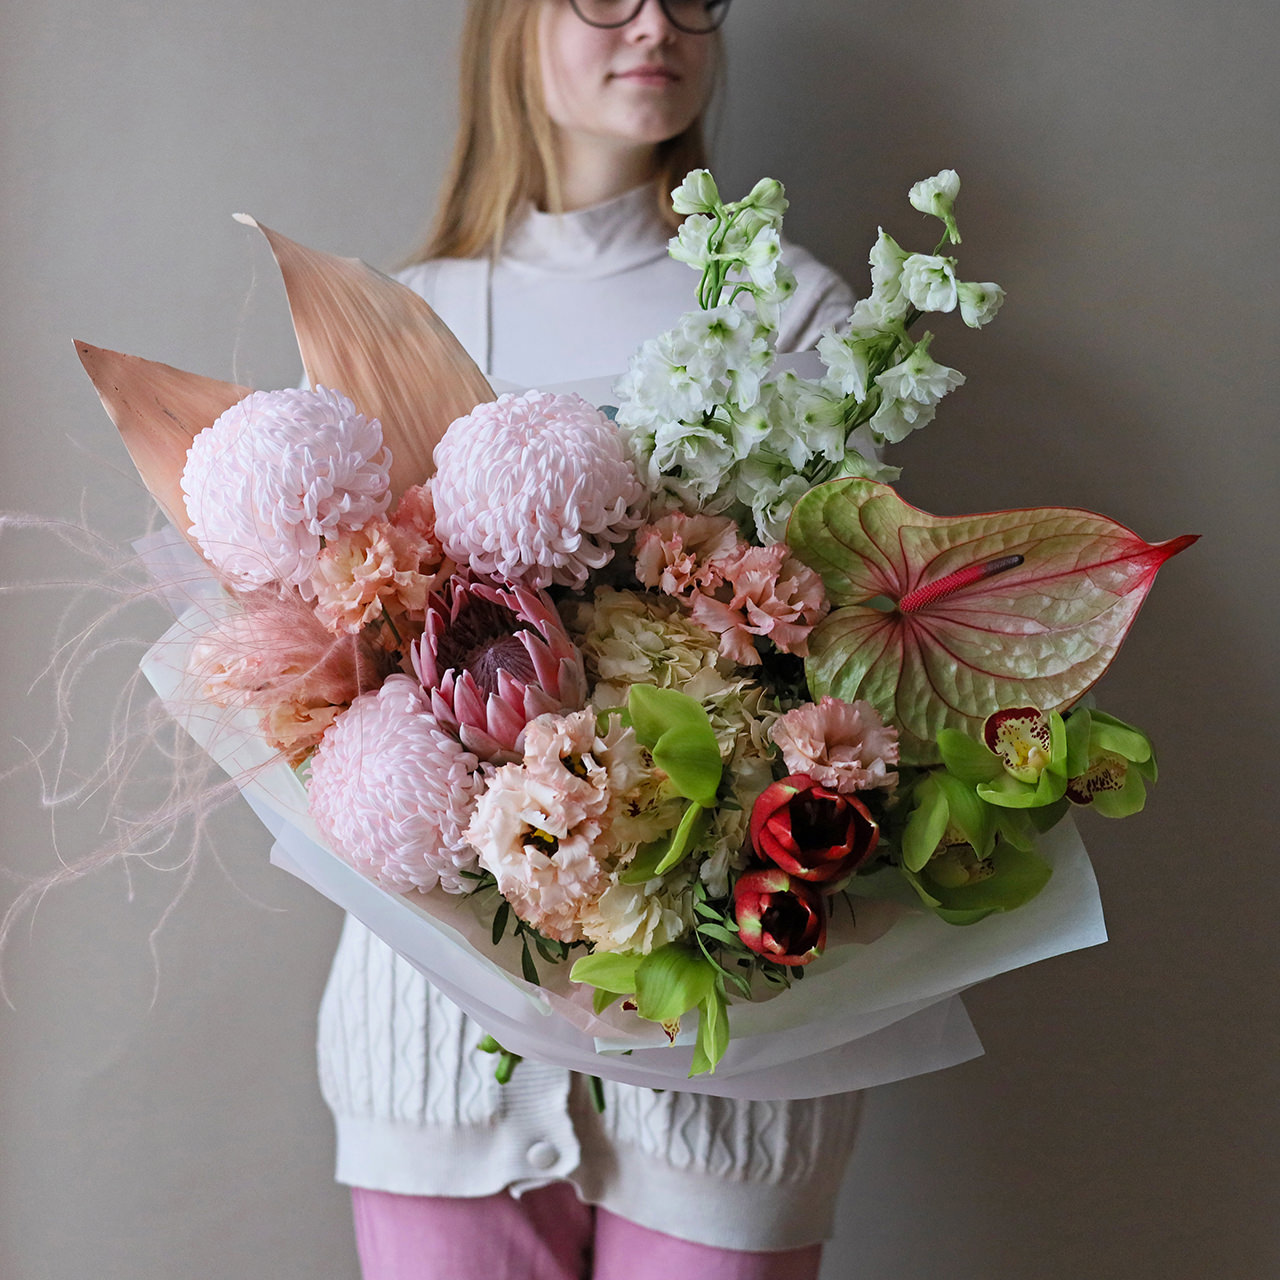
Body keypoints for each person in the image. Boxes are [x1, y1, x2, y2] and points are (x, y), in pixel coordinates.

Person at [317, 3, 864, 1277]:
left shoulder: (791, 310)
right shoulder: (406, 314)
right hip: (434, 1043)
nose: (655, 25)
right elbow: (331, 669)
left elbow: (844, 653)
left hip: (725, 1044)